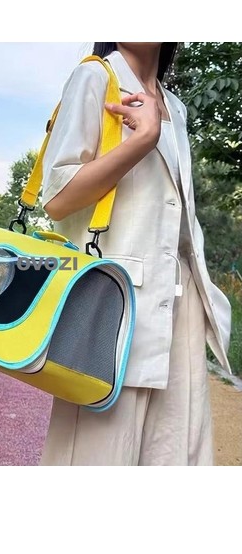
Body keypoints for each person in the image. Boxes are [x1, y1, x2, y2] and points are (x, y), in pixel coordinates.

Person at [39, 42, 232, 466]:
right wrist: (142, 139)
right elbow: (57, 197)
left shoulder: (174, 106)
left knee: (175, 455)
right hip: (113, 307)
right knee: (98, 457)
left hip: (179, 305)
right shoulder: (95, 77)